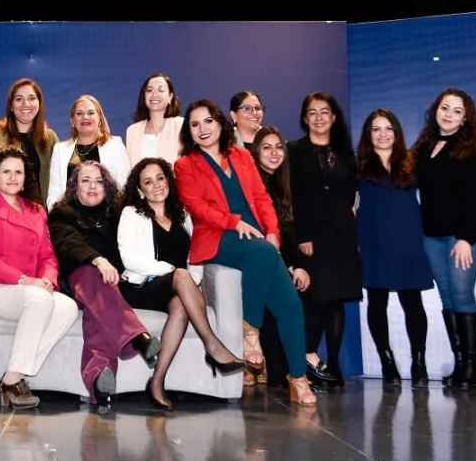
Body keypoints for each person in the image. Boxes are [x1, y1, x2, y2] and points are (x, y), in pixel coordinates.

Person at [175, 99, 316, 406]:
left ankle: (298, 378)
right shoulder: (185, 165)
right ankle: (251, 330)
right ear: (189, 131)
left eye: (208, 121)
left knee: (291, 305)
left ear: (220, 123)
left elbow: (261, 197)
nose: (202, 129)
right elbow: (197, 207)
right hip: (218, 239)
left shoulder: (240, 155)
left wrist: (273, 232)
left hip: (257, 241)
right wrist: (233, 222)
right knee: (262, 253)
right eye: (194, 124)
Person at [118, 158, 244, 410]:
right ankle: (213, 345)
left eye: (160, 178)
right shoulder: (132, 214)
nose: (156, 185)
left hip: (176, 289)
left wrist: (189, 281)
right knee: (182, 278)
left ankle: (157, 381)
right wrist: (176, 273)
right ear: (140, 190)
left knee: (181, 305)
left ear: (168, 180)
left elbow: (195, 258)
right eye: (148, 182)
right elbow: (129, 259)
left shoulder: (183, 215)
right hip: (141, 288)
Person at [0, 148, 78, 409]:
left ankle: (13, 376)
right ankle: (14, 381)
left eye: (18, 172)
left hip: (32, 288)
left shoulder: (37, 211)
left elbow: (48, 256)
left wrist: (48, 280)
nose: (13, 177)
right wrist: (25, 280)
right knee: (39, 300)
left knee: (68, 307)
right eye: (6, 171)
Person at [48, 161, 161, 407]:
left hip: (112, 288)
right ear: (74, 186)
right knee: (93, 277)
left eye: (99, 181)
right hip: (77, 281)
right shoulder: (62, 213)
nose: (92, 186)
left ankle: (99, 382)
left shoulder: (118, 212)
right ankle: (135, 337)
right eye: (85, 180)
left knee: (98, 312)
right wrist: (98, 260)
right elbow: (69, 243)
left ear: (107, 186)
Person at [413, 89, 476, 389]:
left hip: (465, 234)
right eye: (445, 107)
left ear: (466, 118)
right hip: (432, 235)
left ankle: (472, 368)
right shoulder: (424, 147)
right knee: (446, 296)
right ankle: (459, 365)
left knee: (461, 293)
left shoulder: (475, 149)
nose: (448, 114)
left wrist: (465, 238)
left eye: (457, 111)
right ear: (435, 110)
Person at [288, 92, 362, 389]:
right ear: (305, 118)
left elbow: (351, 193)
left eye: (324, 112)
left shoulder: (345, 153)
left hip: (342, 236)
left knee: (336, 302)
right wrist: (302, 236)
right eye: (312, 112)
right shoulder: (294, 151)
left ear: (333, 117)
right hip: (310, 237)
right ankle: (308, 361)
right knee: (315, 301)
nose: (318, 118)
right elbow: (292, 197)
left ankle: (334, 365)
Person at [356, 109, 434, 387]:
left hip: (408, 242)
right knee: (377, 302)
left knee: (413, 303)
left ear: (397, 133)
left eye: (388, 128)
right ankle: (387, 362)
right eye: (376, 129)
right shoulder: (358, 167)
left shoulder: (412, 163)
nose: (383, 134)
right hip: (374, 243)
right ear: (368, 134)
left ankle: (419, 363)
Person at [248, 127, 324, 389]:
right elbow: (264, 231)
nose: (274, 153)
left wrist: (297, 265)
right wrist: (290, 265)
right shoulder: (253, 184)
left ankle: (299, 361)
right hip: (260, 257)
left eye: (279, 147)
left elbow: (288, 230)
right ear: (256, 152)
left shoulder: (284, 183)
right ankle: (285, 369)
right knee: (280, 298)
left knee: (315, 289)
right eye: (267, 147)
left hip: (281, 257)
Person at [47, 95, 130, 209]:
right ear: (72, 121)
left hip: (108, 214)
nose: (85, 117)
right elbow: (54, 193)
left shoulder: (115, 145)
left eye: (91, 113)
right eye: (79, 113)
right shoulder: (60, 150)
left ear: (99, 118)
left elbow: (125, 186)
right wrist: (57, 216)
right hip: (70, 216)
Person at [0, 78, 58, 200]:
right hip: (1, 208)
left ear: (39, 103)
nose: (26, 104)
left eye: (32, 98)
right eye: (19, 99)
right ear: (11, 106)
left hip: (40, 209)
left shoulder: (50, 137)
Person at [125, 72, 184, 165]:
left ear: (170, 97)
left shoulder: (181, 125)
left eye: (160, 90)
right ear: (144, 97)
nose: (154, 94)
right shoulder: (132, 131)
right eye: (149, 90)